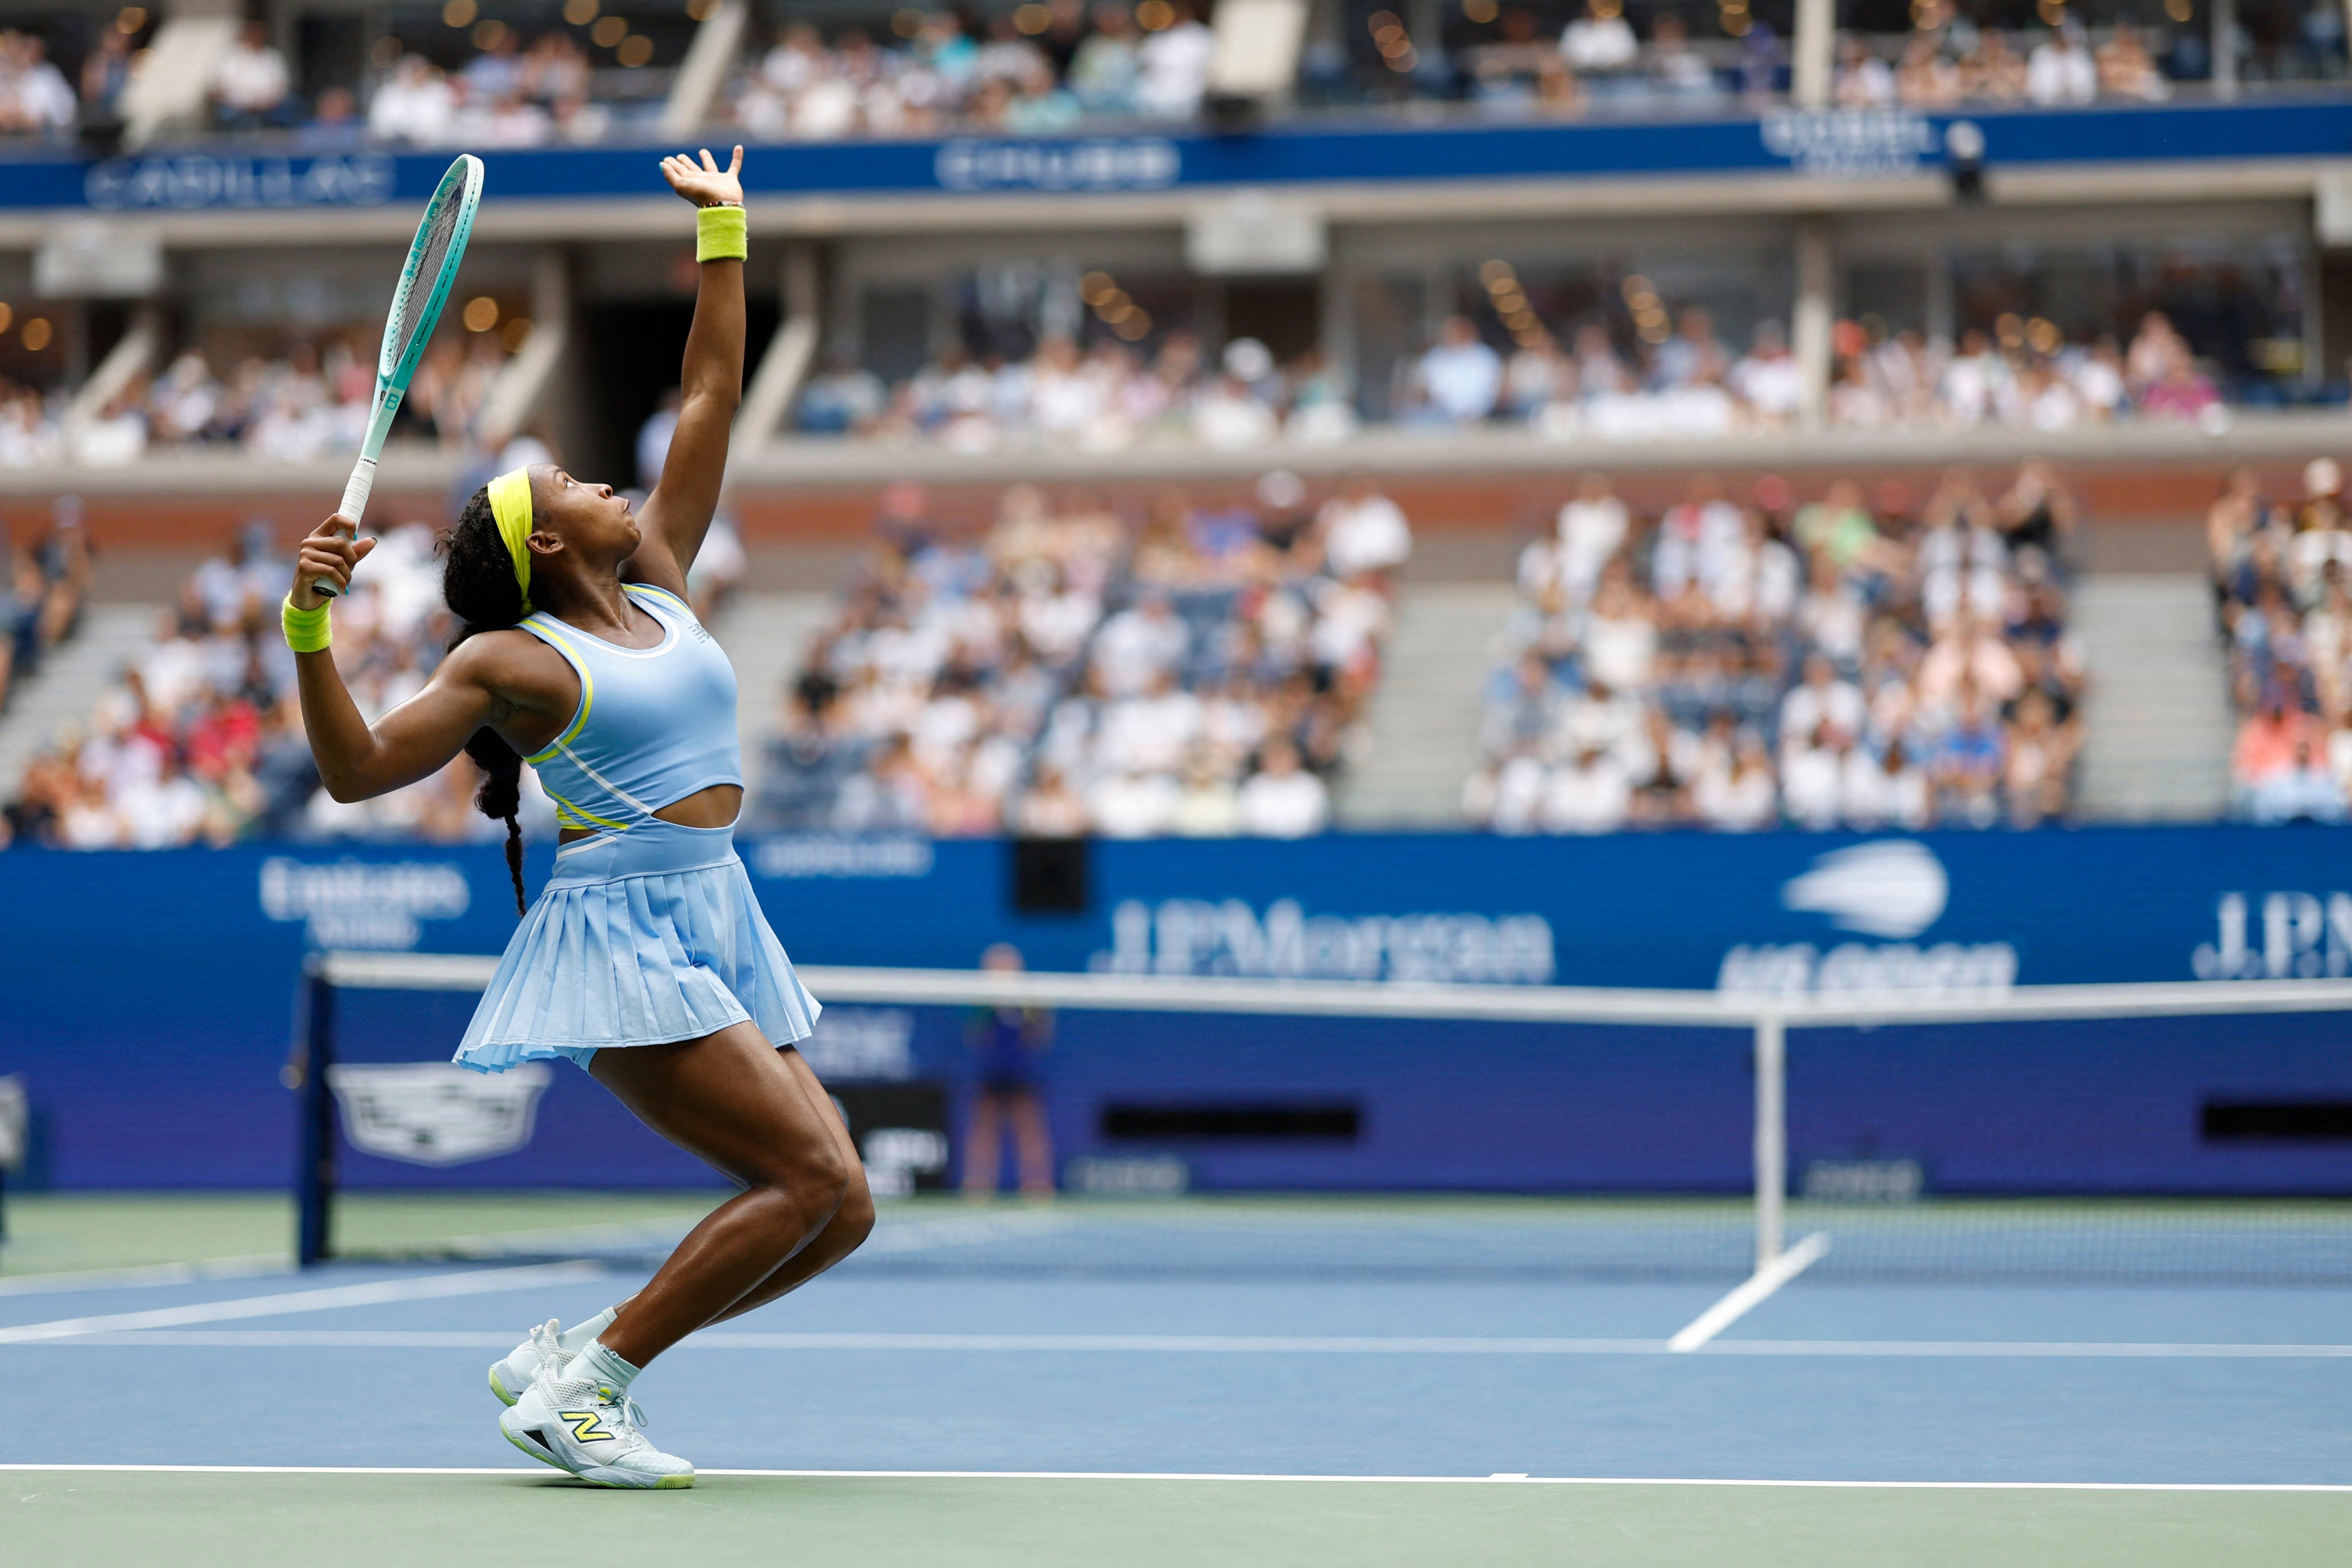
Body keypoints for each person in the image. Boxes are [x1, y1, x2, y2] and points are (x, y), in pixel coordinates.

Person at [285, 148, 868, 1490]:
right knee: (801, 1182)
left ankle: (583, 1350)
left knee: (842, 1209)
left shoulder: (657, 583)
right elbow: (360, 771)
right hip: (620, 934)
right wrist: (309, 626)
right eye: (573, 488)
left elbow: (714, 390)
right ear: (544, 545)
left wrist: (726, 233)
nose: (607, 484)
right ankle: (587, 1394)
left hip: (717, 906)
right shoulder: (515, 663)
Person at [961, 943, 1056, 1196]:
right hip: (992, 1072)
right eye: (995, 964)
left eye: (1006, 964)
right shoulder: (983, 1001)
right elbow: (973, 1034)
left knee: (1029, 1128)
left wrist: (1029, 1017)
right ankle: (978, 1185)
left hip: (1022, 1073)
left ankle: (1037, 1185)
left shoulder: (1030, 998)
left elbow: (1042, 1034)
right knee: (984, 1128)